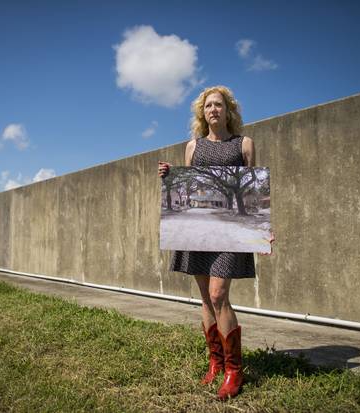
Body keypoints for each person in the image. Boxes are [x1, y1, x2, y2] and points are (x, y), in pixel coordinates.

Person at [158, 86, 256, 400]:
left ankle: (233, 371)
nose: (213, 109)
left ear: (229, 111)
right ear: (203, 113)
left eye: (219, 105)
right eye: (208, 105)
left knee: (218, 295)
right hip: (197, 227)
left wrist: (261, 226)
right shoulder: (193, 147)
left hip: (229, 231)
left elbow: (253, 191)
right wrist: (170, 176)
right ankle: (215, 362)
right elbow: (189, 188)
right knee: (205, 299)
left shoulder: (244, 144)